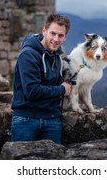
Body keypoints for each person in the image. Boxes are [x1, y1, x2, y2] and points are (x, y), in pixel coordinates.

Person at [11, 13, 72, 144]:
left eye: (60, 35)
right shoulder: (28, 55)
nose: (56, 39)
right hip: (26, 119)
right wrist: (62, 89)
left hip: (52, 119)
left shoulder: (57, 56)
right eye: (53, 33)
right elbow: (32, 91)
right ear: (44, 31)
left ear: (65, 36)